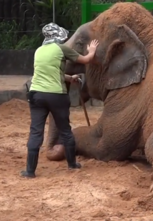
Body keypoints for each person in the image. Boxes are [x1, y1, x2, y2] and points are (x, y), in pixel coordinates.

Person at [21, 23, 99, 178]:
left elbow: (51, 74)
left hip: (36, 95)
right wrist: (92, 50)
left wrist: (70, 78)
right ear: (59, 37)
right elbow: (85, 60)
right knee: (65, 129)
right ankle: (72, 164)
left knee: (36, 131)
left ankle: (30, 171)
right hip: (56, 95)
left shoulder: (38, 51)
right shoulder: (61, 49)